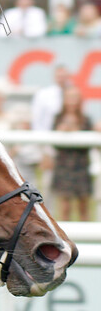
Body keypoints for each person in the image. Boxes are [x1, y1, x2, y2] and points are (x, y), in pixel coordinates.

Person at [51, 87, 93, 221]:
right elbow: (53, 143)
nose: (72, 101)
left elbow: (90, 143)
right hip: (64, 166)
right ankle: (65, 239)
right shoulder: (57, 119)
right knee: (65, 206)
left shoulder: (86, 120)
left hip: (81, 166)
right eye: (69, 97)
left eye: (75, 97)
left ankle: (87, 237)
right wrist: (61, 131)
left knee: (83, 205)